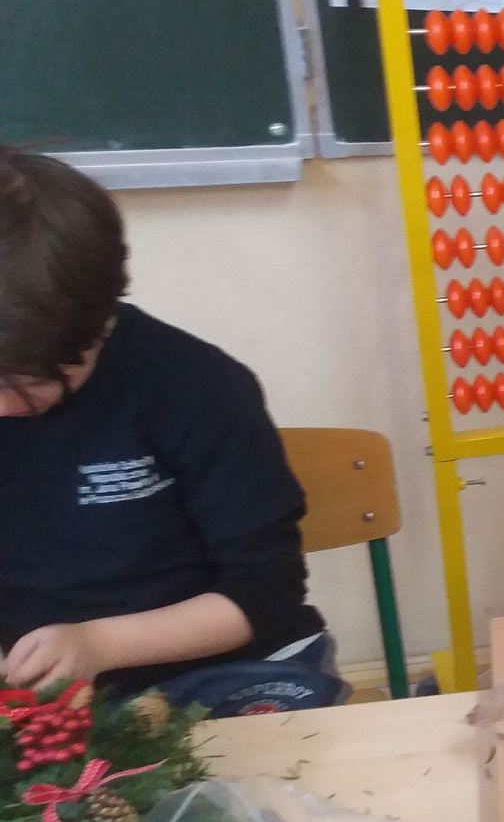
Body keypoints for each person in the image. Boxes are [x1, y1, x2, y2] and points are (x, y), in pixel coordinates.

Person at [0, 147, 343, 715]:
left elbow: (265, 593)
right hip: (48, 696)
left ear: (99, 326)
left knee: (253, 768)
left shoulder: (194, 386)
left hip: (223, 672)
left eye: (30, 384)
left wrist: (98, 644)